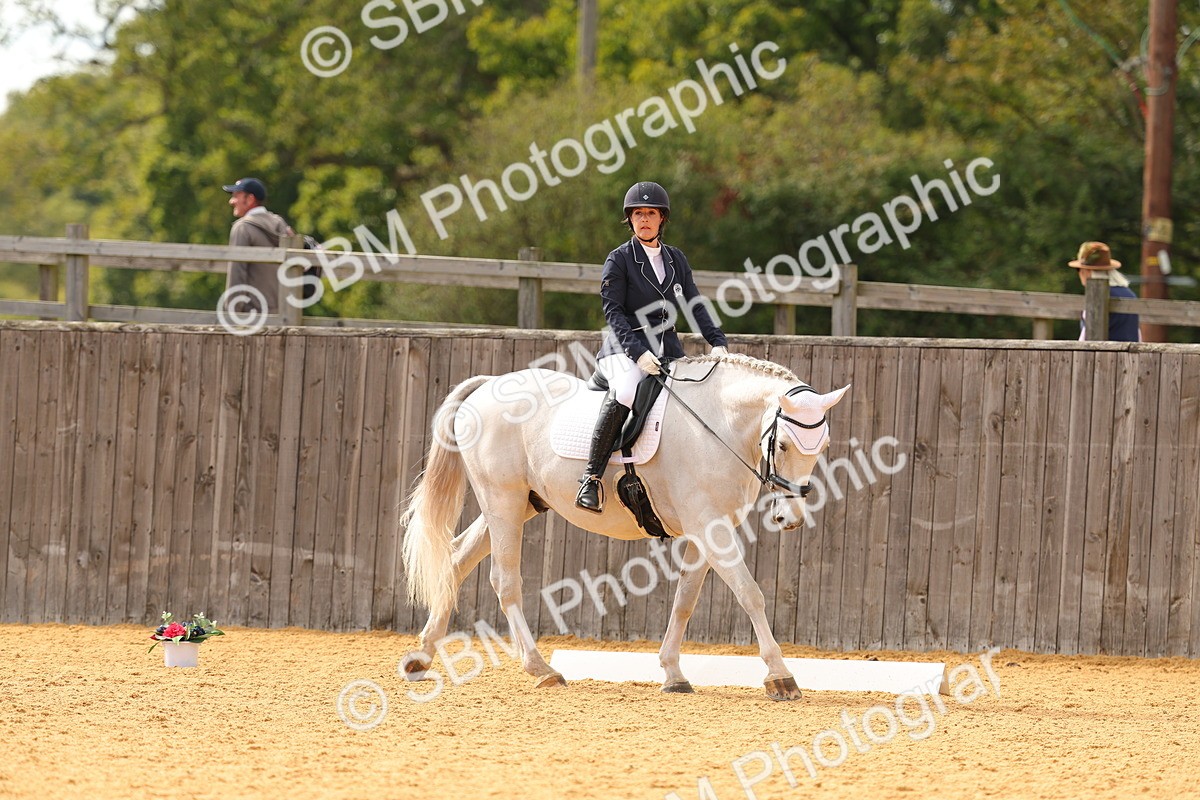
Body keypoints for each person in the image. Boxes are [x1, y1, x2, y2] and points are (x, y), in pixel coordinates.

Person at [575, 181, 729, 513]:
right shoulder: (619, 259)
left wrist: (717, 342)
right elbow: (613, 312)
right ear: (630, 219)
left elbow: (695, 304)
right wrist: (638, 353)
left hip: (666, 350)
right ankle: (591, 478)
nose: (644, 219)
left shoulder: (676, 259)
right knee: (627, 390)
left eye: (651, 214)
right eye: (638, 214)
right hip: (622, 349)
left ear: (662, 219)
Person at [223, 177, 294, 314]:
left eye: (236, 196)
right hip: (284, 311)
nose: (231, 201)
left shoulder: (242, 228)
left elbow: (237, 273)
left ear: (249, 199)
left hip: (253, 314)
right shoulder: (280, 224)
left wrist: (233, 311)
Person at [1068, 241, 1140, 342]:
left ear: (1087, 271)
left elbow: (1086, 337)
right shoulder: (1130, 294)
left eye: (1078, 269)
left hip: (1105, 355)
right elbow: (1137, 333)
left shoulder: (1096, 297)